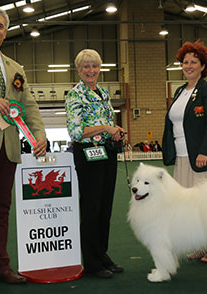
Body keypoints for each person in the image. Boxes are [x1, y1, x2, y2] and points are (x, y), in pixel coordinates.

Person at [0, 7, 46, 292]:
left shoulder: (16, 68)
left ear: (5, 31)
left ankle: (0, 266)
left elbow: (29, 107)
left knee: (1, 210)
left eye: (0, 26)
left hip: (9, 148)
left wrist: (39, 135)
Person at [162, 40, 207, 263]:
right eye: (185, 62)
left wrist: (205, 152)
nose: (188, 65)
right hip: (182, 158)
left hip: (202, 159)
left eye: (193, 62)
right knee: (189, 206)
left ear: (202, 66)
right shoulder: (180, 90)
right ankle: (201, 244)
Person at [65, 49, 125, 279]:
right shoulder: (75, 95)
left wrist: (115, 132)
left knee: (105, 208)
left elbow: (108, 120)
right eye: (86, 67)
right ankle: (91, 262)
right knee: (91, 209)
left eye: (95, 66)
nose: (91, 71)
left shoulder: (103, 92)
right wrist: (106, 128)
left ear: (100, 69)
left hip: (106, 152)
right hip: (87, 154)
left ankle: (102, 254)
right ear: (79, 70)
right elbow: (76, 131)